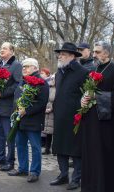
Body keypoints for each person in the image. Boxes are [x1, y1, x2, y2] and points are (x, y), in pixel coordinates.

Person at [50, 42, 88, 190]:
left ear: (72, 56)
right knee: (60, 146)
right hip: (60, 115)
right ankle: (63, 174)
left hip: (75, 116)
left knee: (76, 150)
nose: (60, 56)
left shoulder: (82, 72)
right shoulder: (60, 72)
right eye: (60, 54)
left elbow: (87, 95)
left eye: (63, 54)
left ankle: (76, 178)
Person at [7, 58, 49, 183]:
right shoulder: (22, 81)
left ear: (35, 68)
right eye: (23, 67)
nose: (24, 69)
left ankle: (35, 171)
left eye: (27, 66)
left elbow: (42, 103)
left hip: (33, 120)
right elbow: (16, 99)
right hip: (20, 120)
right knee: (20, 145)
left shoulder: (41, 82)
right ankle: (23, 168)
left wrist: (27, 111)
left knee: (35, 147)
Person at [80, 41, 114, 192]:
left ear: (107, 53)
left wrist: (96, 97)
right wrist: (83, 98)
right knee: (90, 153)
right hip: (90, 119)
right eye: (93, 52)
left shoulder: (112, 68)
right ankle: (90, 186)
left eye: (97, 52)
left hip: (106, 122)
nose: (94, 55)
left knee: (102, 154)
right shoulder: (94, 69)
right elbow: (87, 91)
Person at [0, 42, 22, 172]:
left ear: (12, 51)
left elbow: (18, 85)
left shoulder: (16, 65)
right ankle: (0, 158)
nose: (1, 50)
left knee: (9, 136)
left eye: (5, 48)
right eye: (1, 48)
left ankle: (10, 161)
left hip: (7, 106)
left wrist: (2, 93)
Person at [42, 73, 55, 155]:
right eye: (52, 79)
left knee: (54, 131)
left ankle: (54, 149)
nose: (52, 80)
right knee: (47, 131)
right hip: (47, 111)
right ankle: (47, 148)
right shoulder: (48, 87)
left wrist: (52, 108)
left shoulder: (58, 88)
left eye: (54, 79)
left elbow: (57, 99)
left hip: (53, 111)